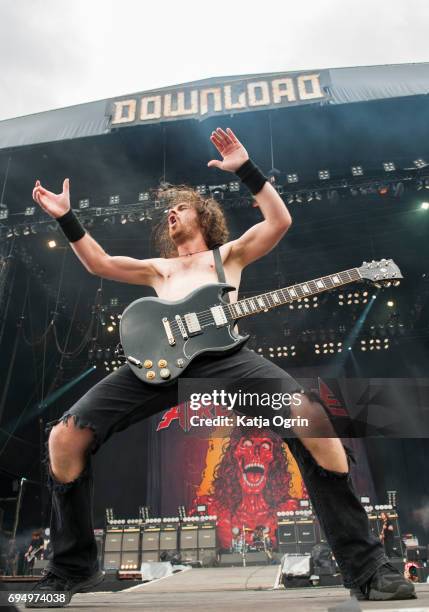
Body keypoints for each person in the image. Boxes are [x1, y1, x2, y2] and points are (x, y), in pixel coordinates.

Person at [27, 127, 415, 607]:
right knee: (65, 437)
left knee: (315, 424)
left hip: (228, 360)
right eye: (168, 211)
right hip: (157, 367)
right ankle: (69, 572)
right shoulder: (159, 269)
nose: (171, 213)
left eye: (181, 208)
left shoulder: (227, 255)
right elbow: (100, 263)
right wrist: (67, 219)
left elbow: (278, 221)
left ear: (204, 218)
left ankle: (368, 569)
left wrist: (247, 172)